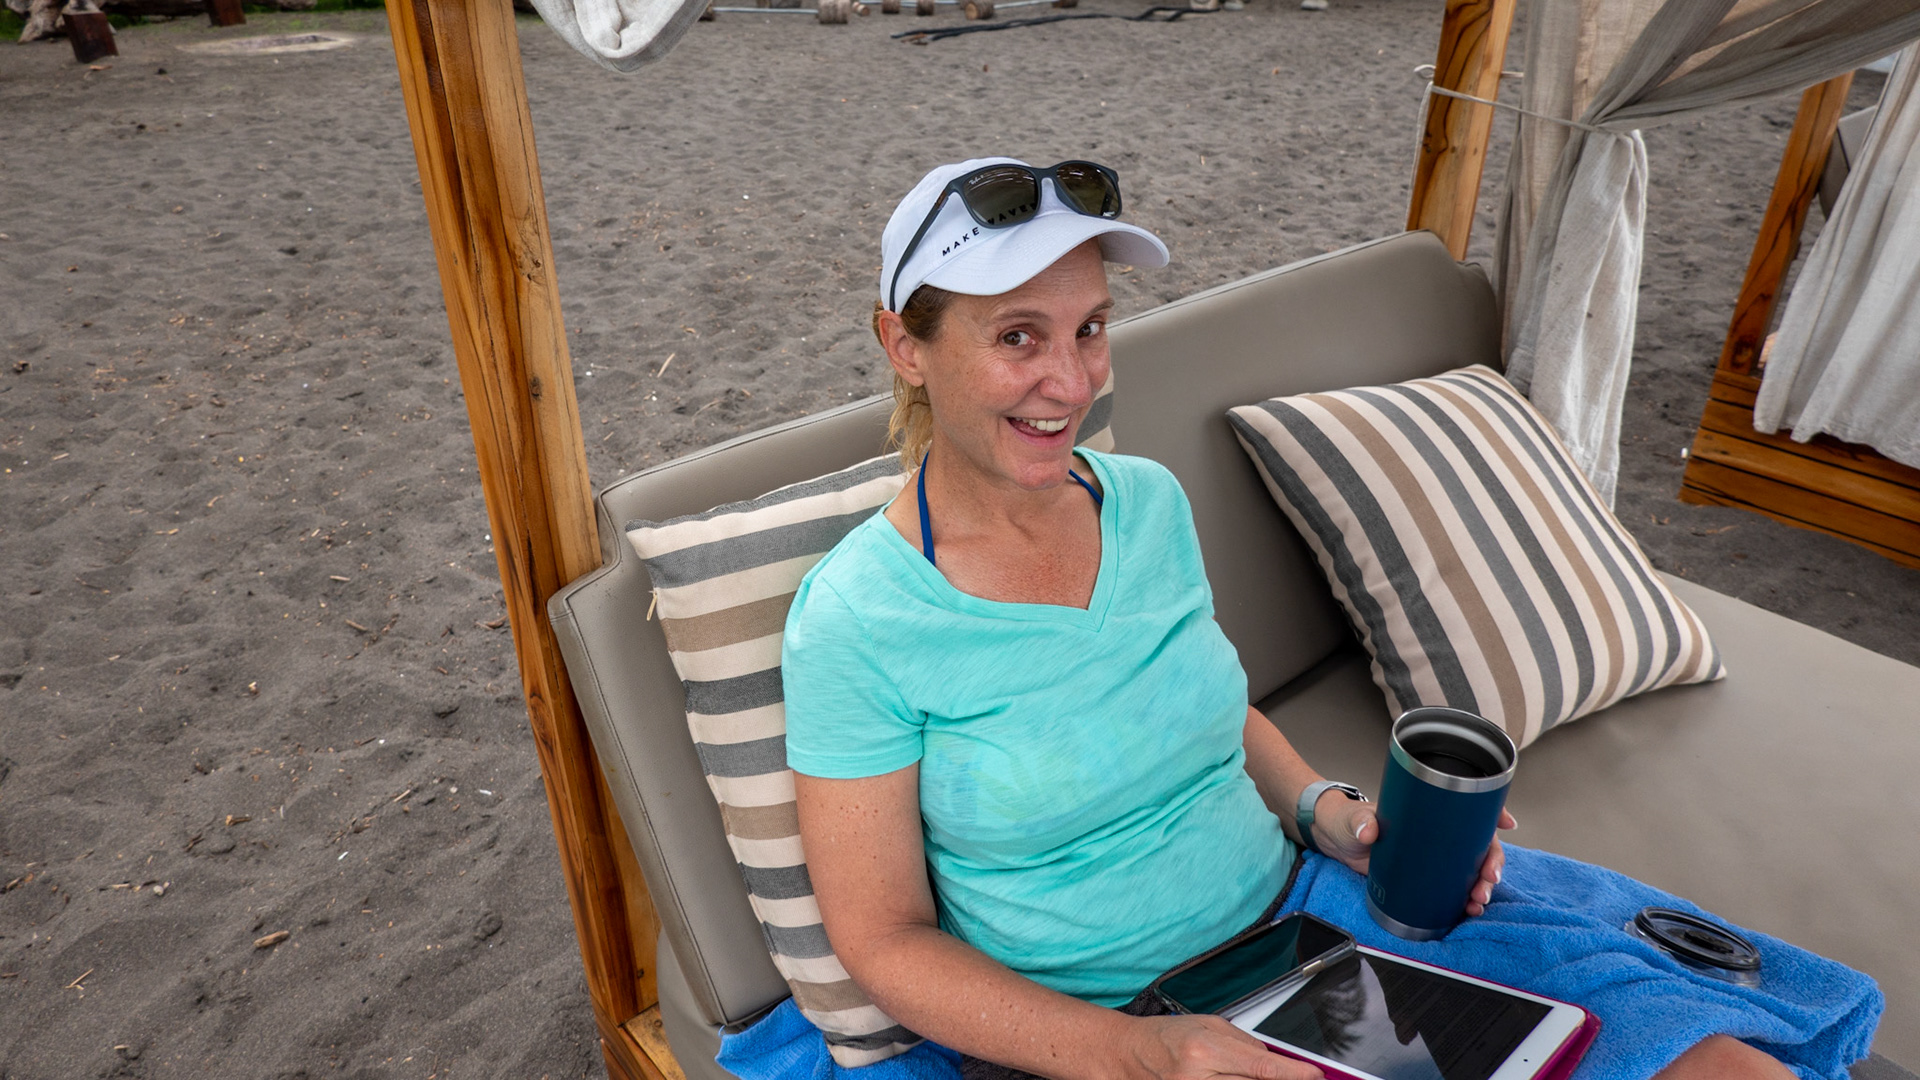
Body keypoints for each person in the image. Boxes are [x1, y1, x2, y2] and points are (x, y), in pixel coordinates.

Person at [781, 157, 1799, 1080]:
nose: (1073, 381)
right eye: (1018, 337)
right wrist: (1137, 1055)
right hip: (1104, 1025)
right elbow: (884, 942)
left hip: (1306, 937)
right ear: (904, 346)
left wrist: (1330, 814)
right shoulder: (858, 619)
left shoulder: (1144, 502)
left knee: (1724, 1067)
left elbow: (1207, 708)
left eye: (1090, 328)